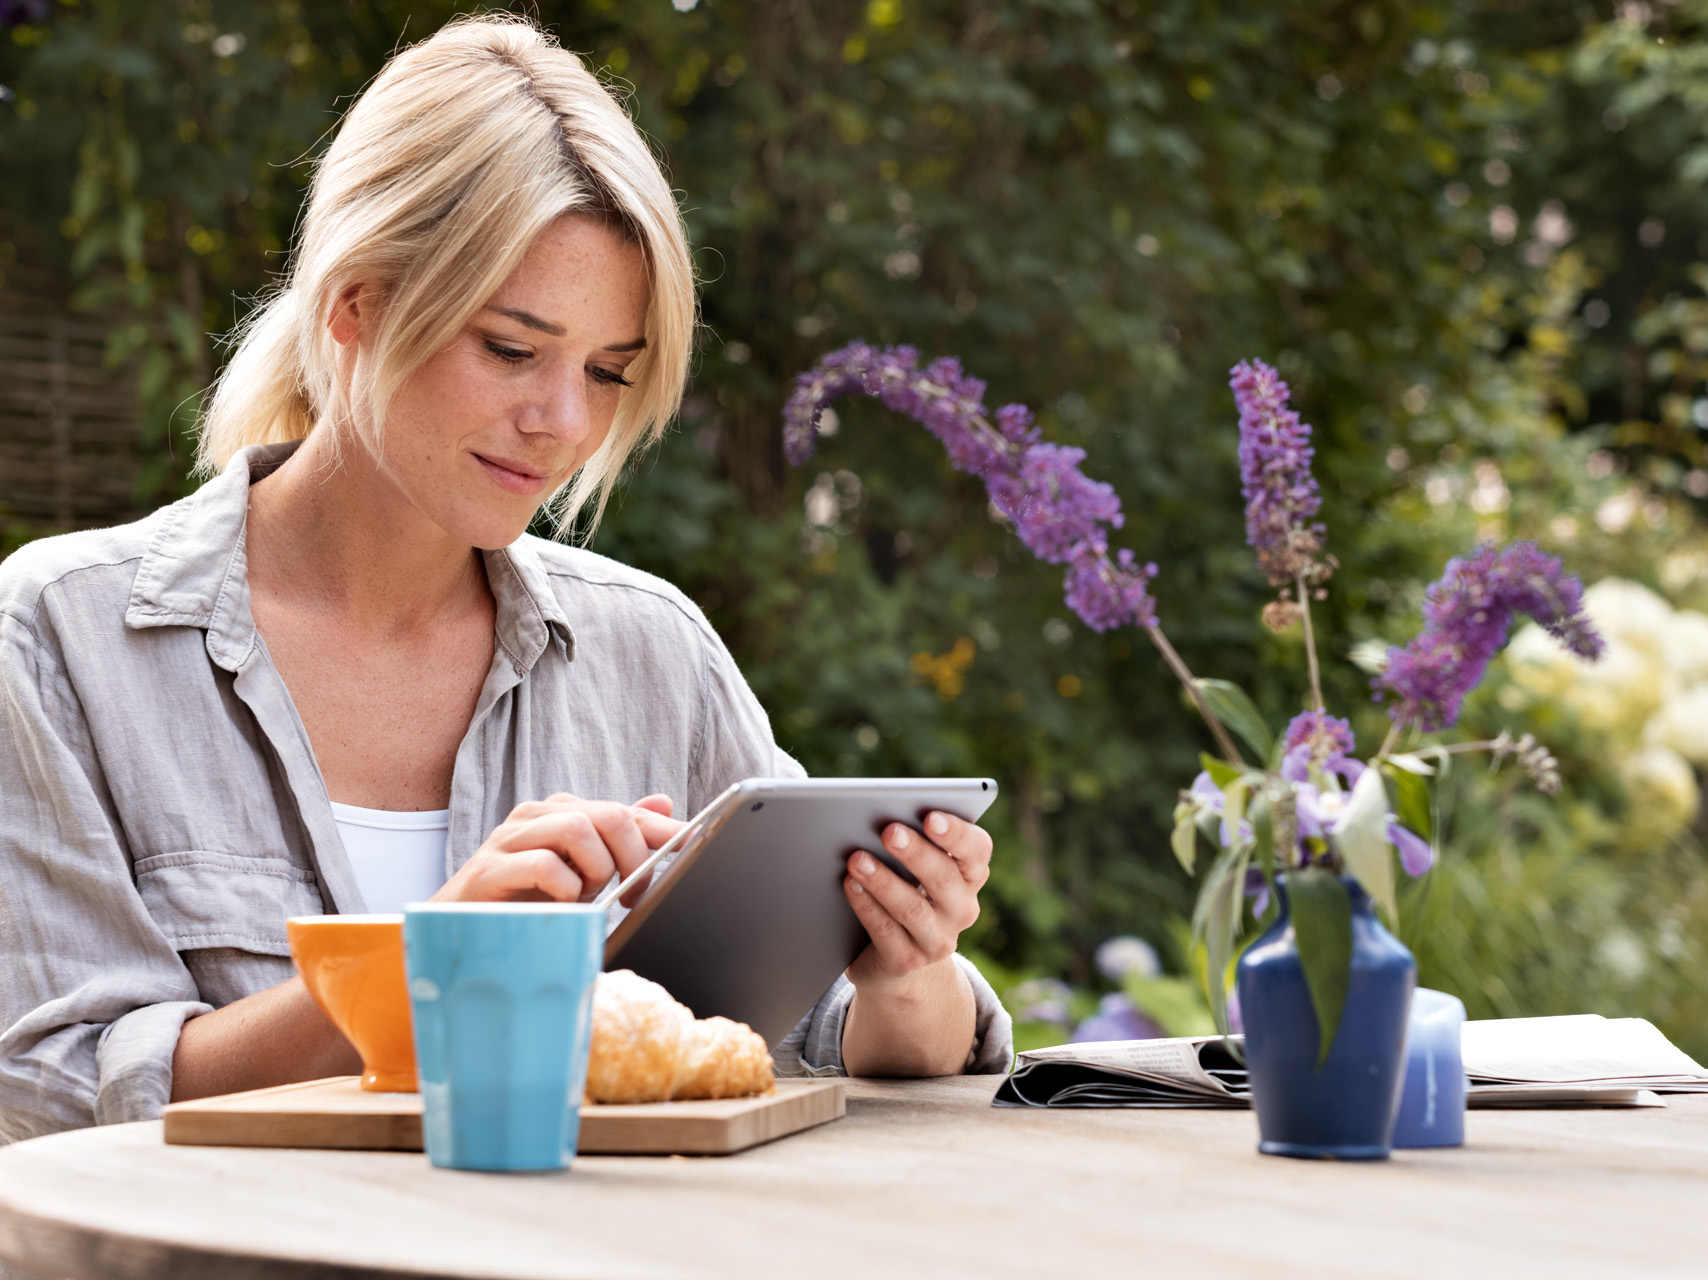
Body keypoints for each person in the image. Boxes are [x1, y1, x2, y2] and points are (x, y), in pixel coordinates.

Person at [0, 14, 1010, 1142]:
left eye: (608, 371)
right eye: (513, 349)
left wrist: (904, 964)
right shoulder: (61, 637)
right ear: (359, 303)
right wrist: (441, 959)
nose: (564, 422)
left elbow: (849, 1040)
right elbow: (55, 1095)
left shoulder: (652, 652)